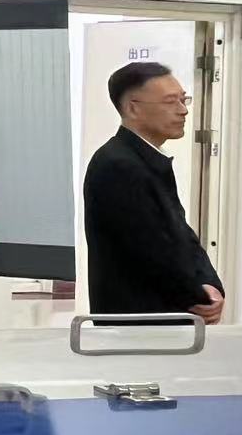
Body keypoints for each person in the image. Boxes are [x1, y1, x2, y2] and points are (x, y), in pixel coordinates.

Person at [84, 61, 224, 323]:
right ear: (133, 108)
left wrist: (210, 284)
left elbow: (182, 236)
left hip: (164, 321)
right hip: (138, 325)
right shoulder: (118, 164)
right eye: (170, 102)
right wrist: (198, 297)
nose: (183, 110)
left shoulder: (147, 159)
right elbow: (152, 251)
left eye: (183, 99)